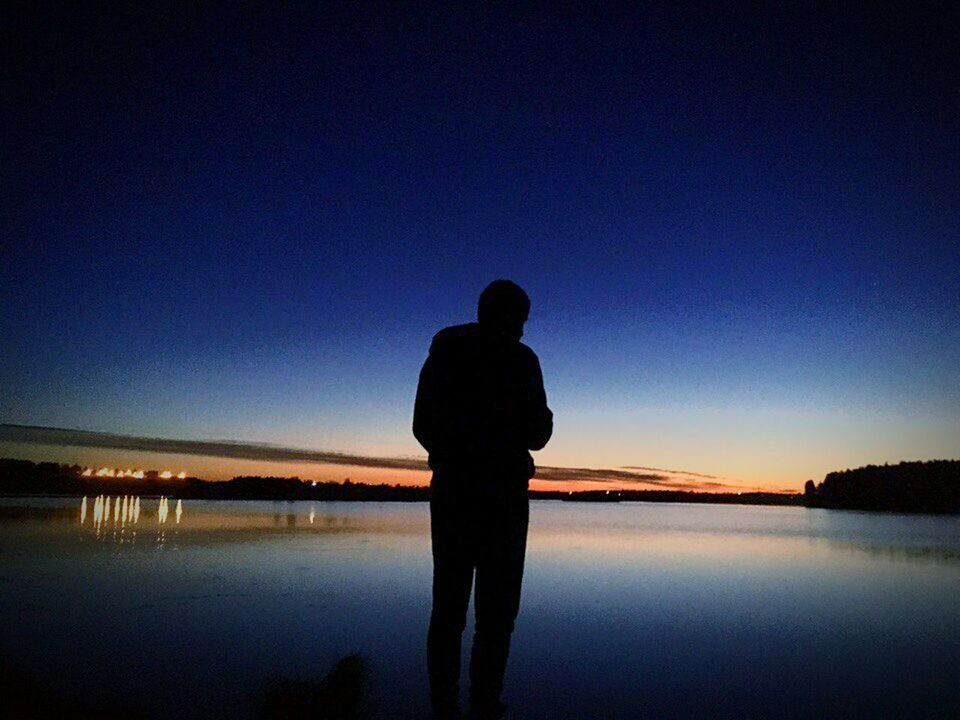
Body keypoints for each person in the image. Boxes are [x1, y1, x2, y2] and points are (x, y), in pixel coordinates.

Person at [413, 280, 553, 720]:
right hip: (501, 503)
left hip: (455, 495)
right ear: (506, 316)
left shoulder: (445, 352)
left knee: (451, 611)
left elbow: (422, 426)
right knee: (494, 614)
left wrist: (454, 456)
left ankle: (451, 706)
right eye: (520, 320)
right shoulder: (521, 361)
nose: (523, 331)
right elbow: (540, 434)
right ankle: (482, 703)